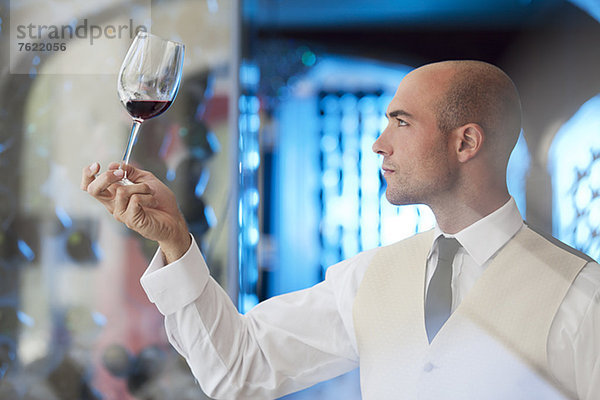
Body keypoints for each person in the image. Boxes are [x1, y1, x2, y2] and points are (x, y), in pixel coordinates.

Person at [81, 60, 600, 400]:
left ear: (466, 143)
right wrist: (173, 239)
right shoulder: (370, 277)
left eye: (401, 122)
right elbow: (238, 368)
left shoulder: (582, 297)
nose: (379, 143)